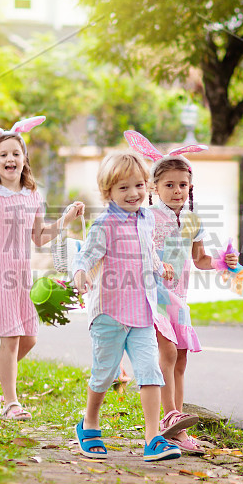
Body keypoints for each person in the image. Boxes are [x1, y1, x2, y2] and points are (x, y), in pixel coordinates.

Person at [0, 117, 84, 419]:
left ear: (24, 158)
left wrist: (65, 220)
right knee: (11, 337)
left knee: (29, 337)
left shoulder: (33, 195)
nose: (10, 158)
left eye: (16, 153)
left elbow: (39, 237)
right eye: (3, 154)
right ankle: (12, 403)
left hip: (20, 275)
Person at [125, 130, 238, 454]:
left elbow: (199, 259)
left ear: (190, 188)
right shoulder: (146, 217)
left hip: (179, 297)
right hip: (152, 291)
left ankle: (176, 429)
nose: (176, 190)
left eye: (182, 185)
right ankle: (170, 416)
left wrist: (222, 262)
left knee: (181, 359)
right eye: (169, 185)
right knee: (169, 352)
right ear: (154, 187)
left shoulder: (192, 221)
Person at [71, 150, 181, 462]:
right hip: (110, 313)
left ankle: (152, 438)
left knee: (150, 371)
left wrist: (160, 267)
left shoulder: (146, 220)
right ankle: (89, 423)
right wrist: (79, 273)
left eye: (138, 186)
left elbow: (148, 250)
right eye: (123, 188)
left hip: (143, 313)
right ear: (108, 193)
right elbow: (87, 255)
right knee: (104, 374)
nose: (133, 193)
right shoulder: (104, 224)